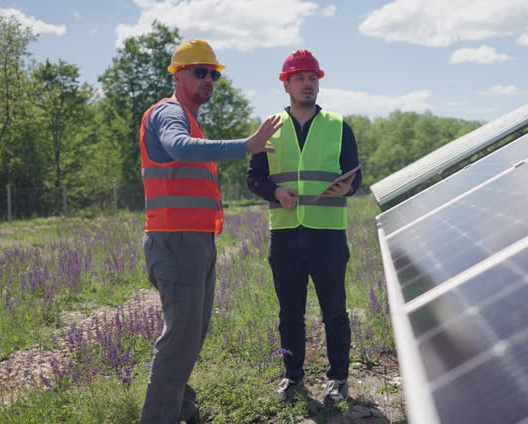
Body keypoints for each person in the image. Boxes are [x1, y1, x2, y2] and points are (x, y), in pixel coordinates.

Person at [139, 39, 282, 424]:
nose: (209, 80)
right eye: (200, 72)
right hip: (176, 241)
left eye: (213, 74)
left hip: (195, 240)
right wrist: (246, 145)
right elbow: (180, 148)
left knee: (191, 335)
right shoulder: (170, 113)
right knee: (180, 339)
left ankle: (182, 409)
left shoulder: (189, 116)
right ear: (178, 74)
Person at [246, 49, 362, 406]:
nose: (307, 84)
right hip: (284, 234)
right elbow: (254, 177)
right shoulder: (270, 127)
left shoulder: (338, 125)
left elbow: (355, 174)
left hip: (328, 233)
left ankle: (338, 379)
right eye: (300, 78)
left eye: (313, 78)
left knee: (335, 311)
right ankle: (292, 377)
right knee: (289, 312)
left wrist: (350, 187)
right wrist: (275, 191)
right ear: (286, 84)